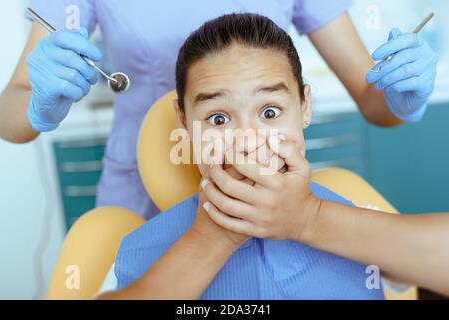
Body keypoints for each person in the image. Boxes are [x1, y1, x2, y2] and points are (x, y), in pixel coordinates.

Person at [0, 0, 438, 219]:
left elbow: (374, 101)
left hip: (268, 184)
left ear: (304, 105)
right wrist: (38, 103)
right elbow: (10, 113)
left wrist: (401, 93)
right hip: (140, 191)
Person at [96, 13, 387, 300]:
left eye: (269, 112)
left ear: (304, 106)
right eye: (219, 119)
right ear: (184, 123)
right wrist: (212, 238)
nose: (248, 142)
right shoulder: (135, 258)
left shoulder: (371, 234)